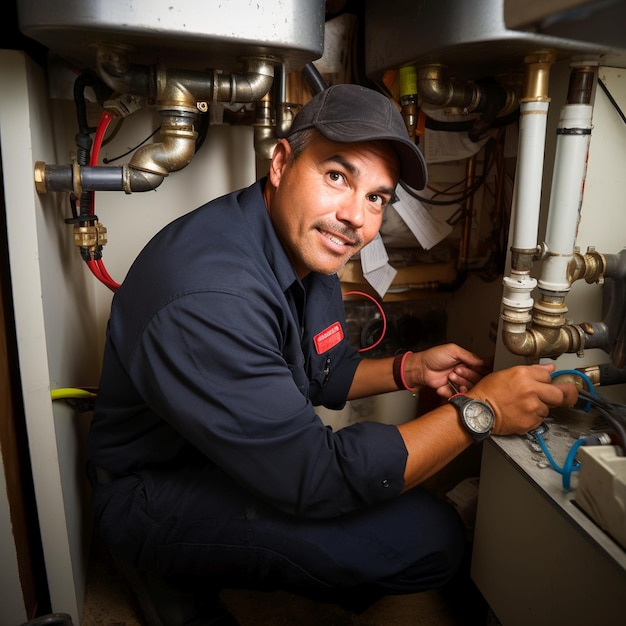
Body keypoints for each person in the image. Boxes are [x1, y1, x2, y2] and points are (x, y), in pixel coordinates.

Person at [87, 84, 578, 624]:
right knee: (429, 538)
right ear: (281, 164)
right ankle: (168, 567)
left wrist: (408, 368)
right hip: (152, 489)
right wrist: (479, 413)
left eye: (377, 197)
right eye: (337, 176)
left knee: (407, 512)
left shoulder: (305, 244)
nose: (356, 218)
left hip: (231, 453)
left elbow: (325, 372)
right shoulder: (209, 298)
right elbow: (318, 480)